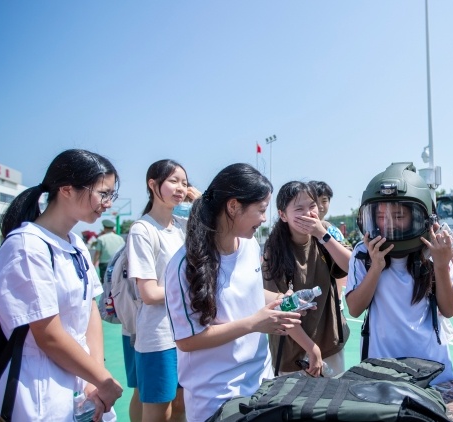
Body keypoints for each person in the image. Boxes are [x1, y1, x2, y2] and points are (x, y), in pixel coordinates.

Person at [0, 149, 123, 421]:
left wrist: (96, 376)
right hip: (38, 389)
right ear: (67, 190)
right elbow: (47, 333)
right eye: (103, 193)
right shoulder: (27, 246)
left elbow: (90, 311)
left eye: (111, 195)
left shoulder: (76, 244)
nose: (108, 203)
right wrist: (101, 379)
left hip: (80, 383)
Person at [164, 163, 301, 422]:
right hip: (215, 398)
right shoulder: (184, 265)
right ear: (233, 206)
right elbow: (188, 340)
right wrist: (253, 324)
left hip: (262, 386)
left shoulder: (249, 246)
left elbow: (248, 294)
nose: (264, 218)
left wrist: (283, 300)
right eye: (260, 210)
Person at [345, 162, 453, 385]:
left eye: (398, 216)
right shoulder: (364, 252)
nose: (388, 223)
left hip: (432, 367)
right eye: (380, 216)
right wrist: (376, 266)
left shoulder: (433, 249)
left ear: (420, 217)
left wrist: (441, 265)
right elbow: (355, 308)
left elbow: (449, 309)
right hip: (381, 368)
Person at [263, 181, 352, 377]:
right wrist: (311, 348)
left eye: (312, 206)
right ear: (282, 215)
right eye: (299, 209)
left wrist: (322, 235)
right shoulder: (274, 250)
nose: (308, 213)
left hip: (330, 342)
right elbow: (280, 307)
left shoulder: (326, 232)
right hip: (291, 351)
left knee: (332, 404)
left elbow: (350, 267)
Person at [127, 159, 190, 421]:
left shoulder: (183, 227)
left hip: (186, 333)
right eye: (173, 181)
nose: (180, 188)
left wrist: (196, 199)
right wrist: (190, 289)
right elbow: (149, 294)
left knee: (181, 406)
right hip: (159, 336)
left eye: (185, 183)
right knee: (158, 411)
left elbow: (214, 226)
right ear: (153, 185)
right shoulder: (142, 230)